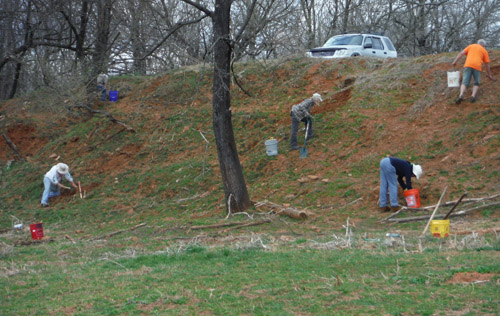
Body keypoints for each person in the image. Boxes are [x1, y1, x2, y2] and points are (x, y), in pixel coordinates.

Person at [452, 39, 495, 104]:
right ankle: (473, 96)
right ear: (483, 45)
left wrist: (455, 61)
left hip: (468, 65)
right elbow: (487, 64)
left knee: (464, 82)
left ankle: (460, 96)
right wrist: (489, 74)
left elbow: (461, 53)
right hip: (477, 67)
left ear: (478, 43)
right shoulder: (484, 51)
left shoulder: (471, 46)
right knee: (476, 82)